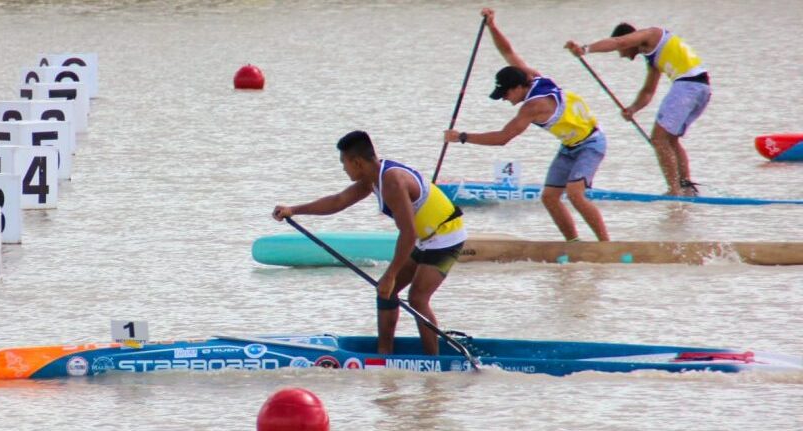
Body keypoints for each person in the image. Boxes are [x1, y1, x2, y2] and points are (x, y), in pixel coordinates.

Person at [271, 130, 467, 355]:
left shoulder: (392, 182)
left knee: (417, 298)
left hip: (446, 236)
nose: (343, 168)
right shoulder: (372, 178)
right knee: (385, 292)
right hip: (427, 238)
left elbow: (408, 233)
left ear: (357, 162)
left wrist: (391, 274)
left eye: (343, 163)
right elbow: (338, 201)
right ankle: (384, 355)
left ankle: (434, 362)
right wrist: (294, 210)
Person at [444, 8, 609, 242]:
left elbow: (503, 138)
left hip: (592, 143)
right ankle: (574, 244)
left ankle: (606, 245)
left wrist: (461, 136)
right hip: (569, 146)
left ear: (519, 87)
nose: (503, 98)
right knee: (550, 197)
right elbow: (508, 52)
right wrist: (492, 26)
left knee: (575, 194)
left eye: (505, 93)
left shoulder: (533, 106)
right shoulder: (532, 76)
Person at [565, 23, 710, 196]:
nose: (622, 55)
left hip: (688, 86)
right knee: (670, 140)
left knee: (658, 140)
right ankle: (685, 187)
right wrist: (633, 109)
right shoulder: (654, 57)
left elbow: (618, 42)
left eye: (622, 51)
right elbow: (648, 92)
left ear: (629, 41)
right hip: (703, 88)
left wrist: (585, 50)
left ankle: (674, 191)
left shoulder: (651, 35)